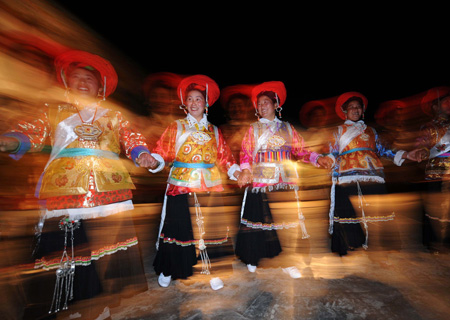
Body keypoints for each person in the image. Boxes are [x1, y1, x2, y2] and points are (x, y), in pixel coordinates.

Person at [0, 50, 163, 319]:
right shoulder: (52, 110)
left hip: (108, 189)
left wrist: (142, 154)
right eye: (77, 76)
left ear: (100, 87)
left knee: (102, 246)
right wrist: (14, 140)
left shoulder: (113, 115)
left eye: (90, 78)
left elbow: (131, 138)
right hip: (64, 187)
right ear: (67, 82)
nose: (83, 82)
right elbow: (32, 131)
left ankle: (97, 300)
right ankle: (63, 302)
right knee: (65, 244)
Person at [151, 74, 241, 290]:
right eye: (189, 99)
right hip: (181, 185)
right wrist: (152, 160)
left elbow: (226, 157)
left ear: (206, 103)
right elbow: (161, 152)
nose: (193, 103)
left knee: (209, 229)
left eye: (198, 99)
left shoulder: (215, 131)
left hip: (209, 186)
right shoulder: (176, 127)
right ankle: (169, 268)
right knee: (178, 227)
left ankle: (211, 270)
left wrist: (237, 172)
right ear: (185, 103)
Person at [235, 81, 332, 278]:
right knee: (258, 222)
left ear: (276, 104)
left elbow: (301, 150)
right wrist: (244, 171)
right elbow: (245, 153)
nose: (262, 107)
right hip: (261, 181)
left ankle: (286, 261)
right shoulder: (252, 129)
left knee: (284, 224)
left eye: (266, 103)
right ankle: (253, 258)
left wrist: (317, 159)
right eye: (259, 104)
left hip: (283, 182)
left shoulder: (287, 128)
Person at [324, 92, 424, 256]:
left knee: (379, 208)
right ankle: (348, 246)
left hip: (372, 173)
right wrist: (326, 160)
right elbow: (331, 151)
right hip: (346, 174)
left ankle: (384, 246)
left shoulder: (371, 131)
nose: (355, 110)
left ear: (363, 110)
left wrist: (407, 154)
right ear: (345, 111)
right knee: (345, 210)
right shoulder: (338, 131)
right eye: (351, 107)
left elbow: (385, 150)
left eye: (358, 107)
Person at [415, 86, 450, 254]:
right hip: (435, 171)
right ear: (435, 107)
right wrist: (422, 151)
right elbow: (421, 147)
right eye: (446, 102)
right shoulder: (428, 127)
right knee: (434, 207)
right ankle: (432, 241)